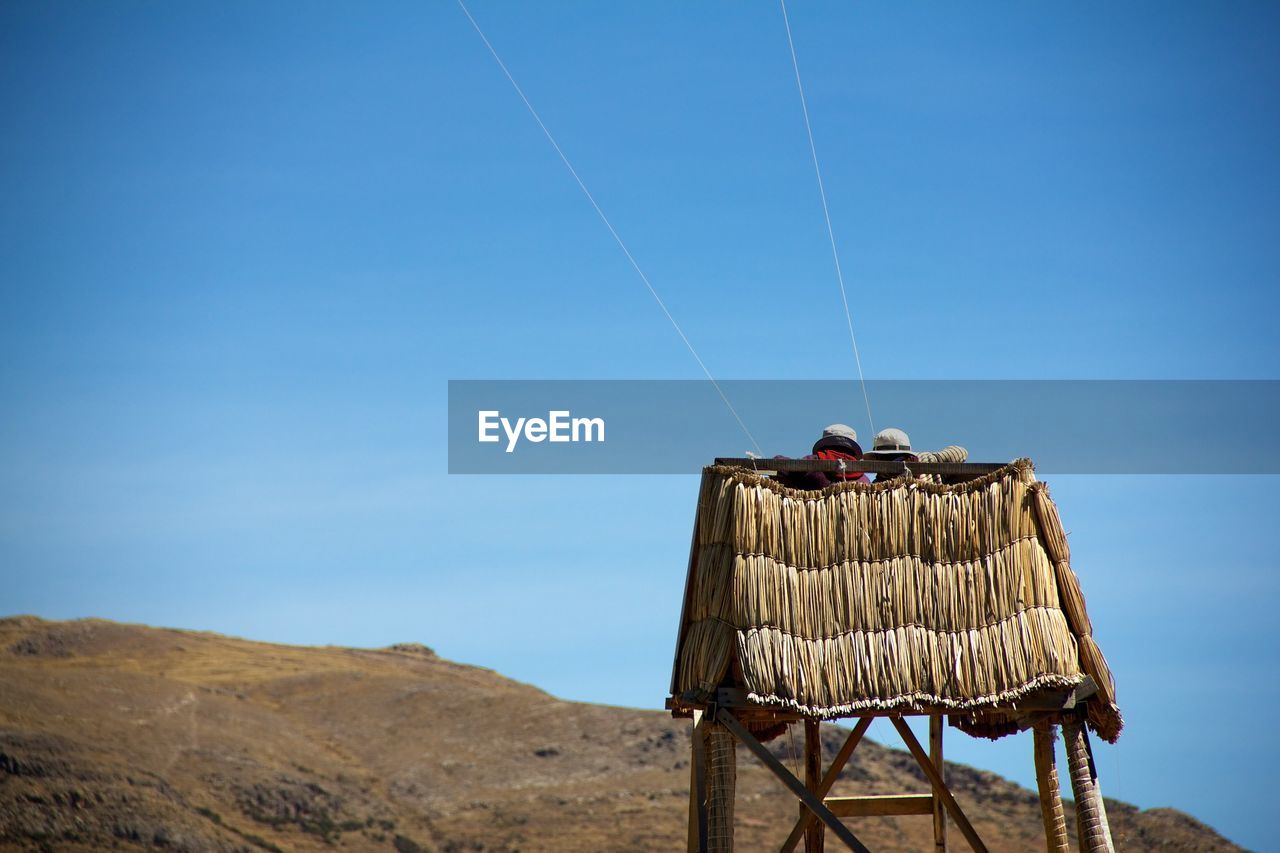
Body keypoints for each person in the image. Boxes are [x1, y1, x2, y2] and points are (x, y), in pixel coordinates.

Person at [774, 424, 870, 490]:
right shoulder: (863, 478)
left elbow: (784, 467)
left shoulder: (814, 461)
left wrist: (778, 458)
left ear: (825, 443)